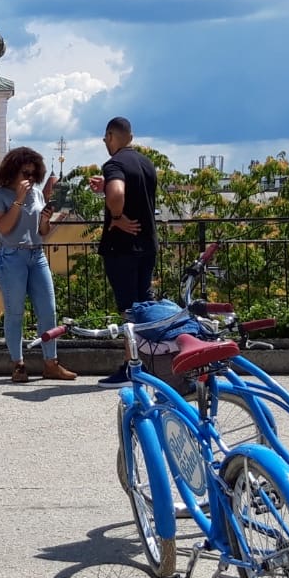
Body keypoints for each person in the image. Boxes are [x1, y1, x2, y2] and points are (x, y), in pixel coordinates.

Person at [0, 146, 76, 383]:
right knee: (15, 313)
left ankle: (51, 363)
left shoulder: (37, 194)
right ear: (12, 171)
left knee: (48, 311)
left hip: (36, 255)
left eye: (32, 173)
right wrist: (17, 200)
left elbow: (42, 232)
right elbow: (4, 228)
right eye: (24, 172)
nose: (29, 177)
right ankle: (18, 365)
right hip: (12, 257)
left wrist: (46, 220)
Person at [93, 116, 159, 386]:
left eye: (105, 138)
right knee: (144, 307)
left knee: (129, 312)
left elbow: (118, 193)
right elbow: (128, 191)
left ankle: (131, 367)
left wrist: (117, 217)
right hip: (147, 244)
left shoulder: (115, 163)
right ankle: (150, 363)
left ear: (111, 136)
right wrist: (105, 188)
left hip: (122, 248)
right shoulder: (146, 163)